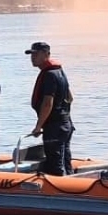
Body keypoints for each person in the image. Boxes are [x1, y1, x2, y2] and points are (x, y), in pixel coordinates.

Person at [26, 41, 74, 175]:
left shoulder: (49, 75)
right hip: (65, 124)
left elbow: (48, 103)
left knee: (55, 162)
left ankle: (62, 189)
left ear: (46, 54)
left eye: (36, 54)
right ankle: (69, 181)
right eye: (32, 54)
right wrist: (65, 115)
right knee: (65, 158)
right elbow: (70, 97)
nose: (33, 57)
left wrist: (38, 126)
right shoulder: (59, 71)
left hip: (55, 126)